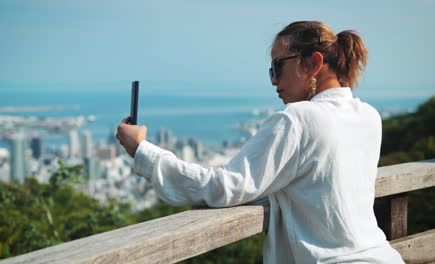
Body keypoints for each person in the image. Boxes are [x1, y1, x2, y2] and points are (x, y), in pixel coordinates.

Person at [116, 21, 405, 264]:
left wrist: (142, 150)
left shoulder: (298, 118)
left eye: (277, 67)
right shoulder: (368, 115)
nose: (273, 81)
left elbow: (225, 187)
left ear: (314, 63)